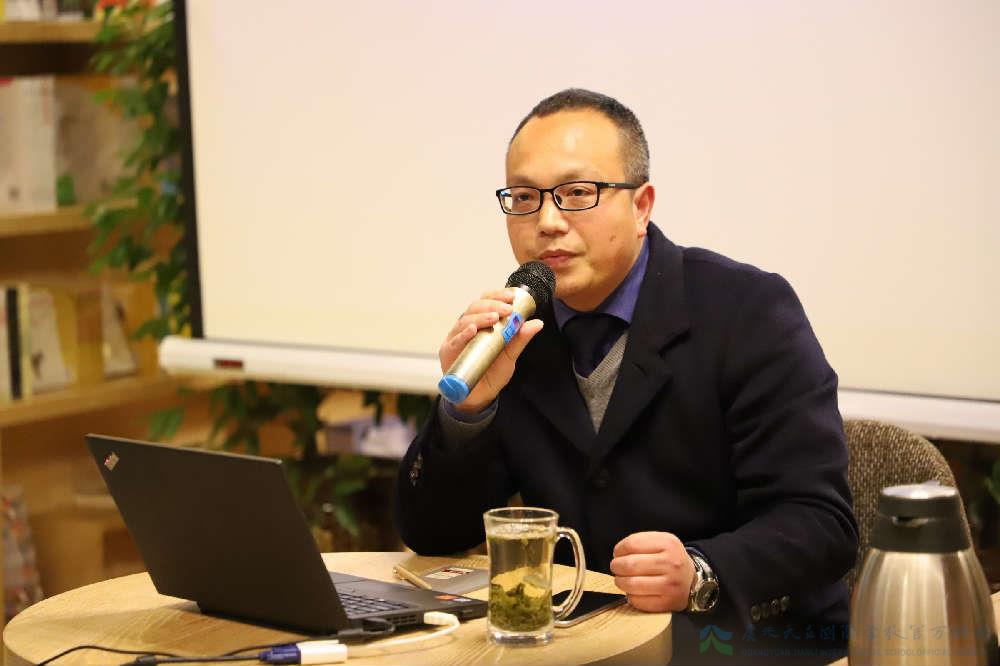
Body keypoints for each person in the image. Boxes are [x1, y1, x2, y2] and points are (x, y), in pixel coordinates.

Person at [395, 88, 857, 655]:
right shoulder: (514, 332)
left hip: (743, 646)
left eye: (577, 194)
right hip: (579, 643)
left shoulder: (747, 310)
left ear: (641, 206)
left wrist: (702, 570)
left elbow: (822, 522)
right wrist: (468, 413)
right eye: (524, 197)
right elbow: (433, 536)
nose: (547, 221)